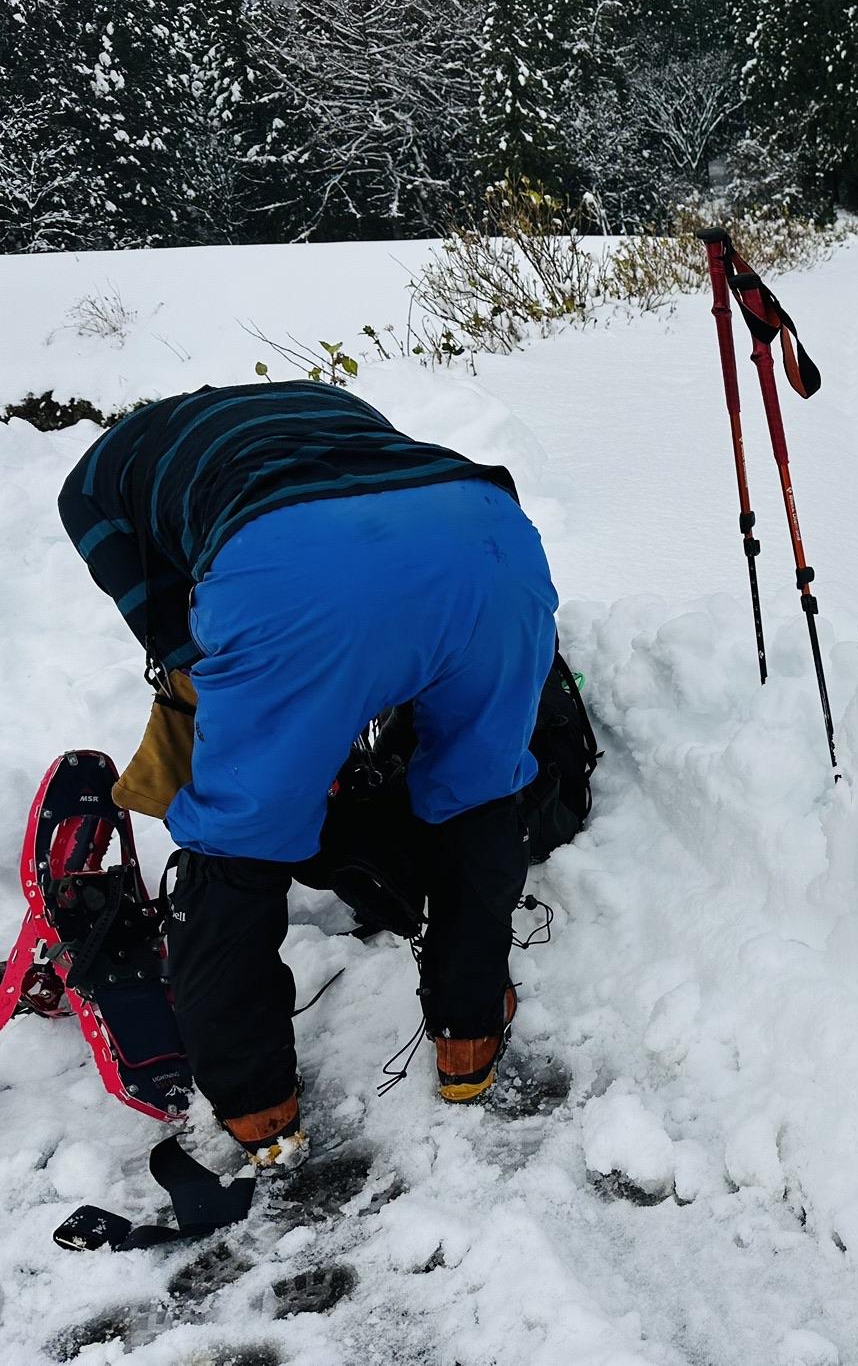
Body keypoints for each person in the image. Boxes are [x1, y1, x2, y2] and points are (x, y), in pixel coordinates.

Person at [58, 380, 558, 1169]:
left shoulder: (96, 481)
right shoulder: (327, 401)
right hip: (486, 538)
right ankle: (471, 1042)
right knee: (477, 790)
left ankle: (258, 1106)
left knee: (239, 844)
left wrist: (229, 686)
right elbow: (386, 522)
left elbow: (177, 634)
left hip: (294, 571)